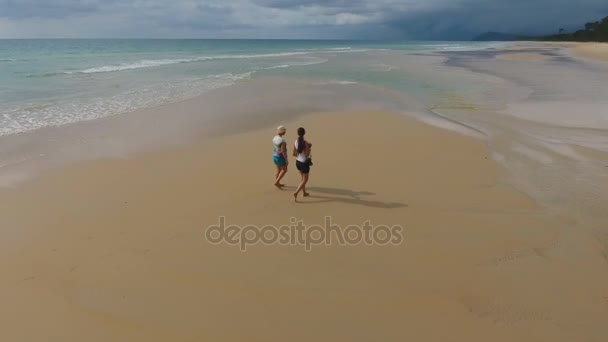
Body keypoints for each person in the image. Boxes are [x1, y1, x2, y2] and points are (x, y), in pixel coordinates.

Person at [293, 127, 312, 201]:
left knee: (302, 179)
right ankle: (296, 192)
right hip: (304, 163)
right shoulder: (305, 143)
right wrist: (309, 148)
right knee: (305, 180)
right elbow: (307, 155)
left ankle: (304, 192)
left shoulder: (295, 141)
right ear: (304, 133)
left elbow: (294, 154)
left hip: (298, 162)